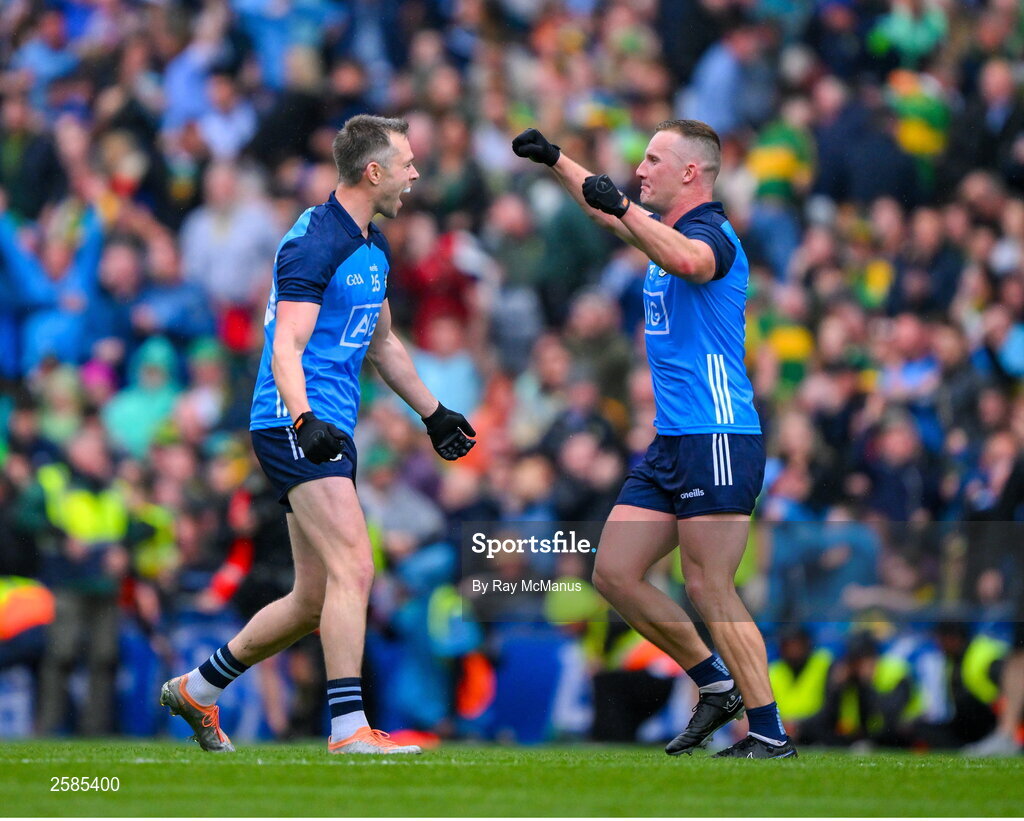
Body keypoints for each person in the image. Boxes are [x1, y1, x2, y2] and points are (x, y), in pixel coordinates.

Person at [160, 115, 477, 755]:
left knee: (313, 599)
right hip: (293, 424)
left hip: (328, 427)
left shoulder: (371, 244)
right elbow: (286, 347)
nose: (416, 175)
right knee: (357, 567)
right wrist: (305, 421)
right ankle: (347, 730)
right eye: (407, 163)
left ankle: (198, 687)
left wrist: (434, 412)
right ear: (373, 171)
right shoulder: (314, 242)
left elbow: (383, 345)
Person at [513, 120, 796, 758]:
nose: (641, 171)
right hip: (673, 441)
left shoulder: (713, 236)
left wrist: (622, 207)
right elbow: (612, 215)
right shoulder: (661, 230)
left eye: (653, 160)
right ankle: (714, 682)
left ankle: (770, 732)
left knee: (709, 586)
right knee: (613, 573)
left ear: (691, 172)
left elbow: (686, 261)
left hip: (718, 433)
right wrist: (558, 161)